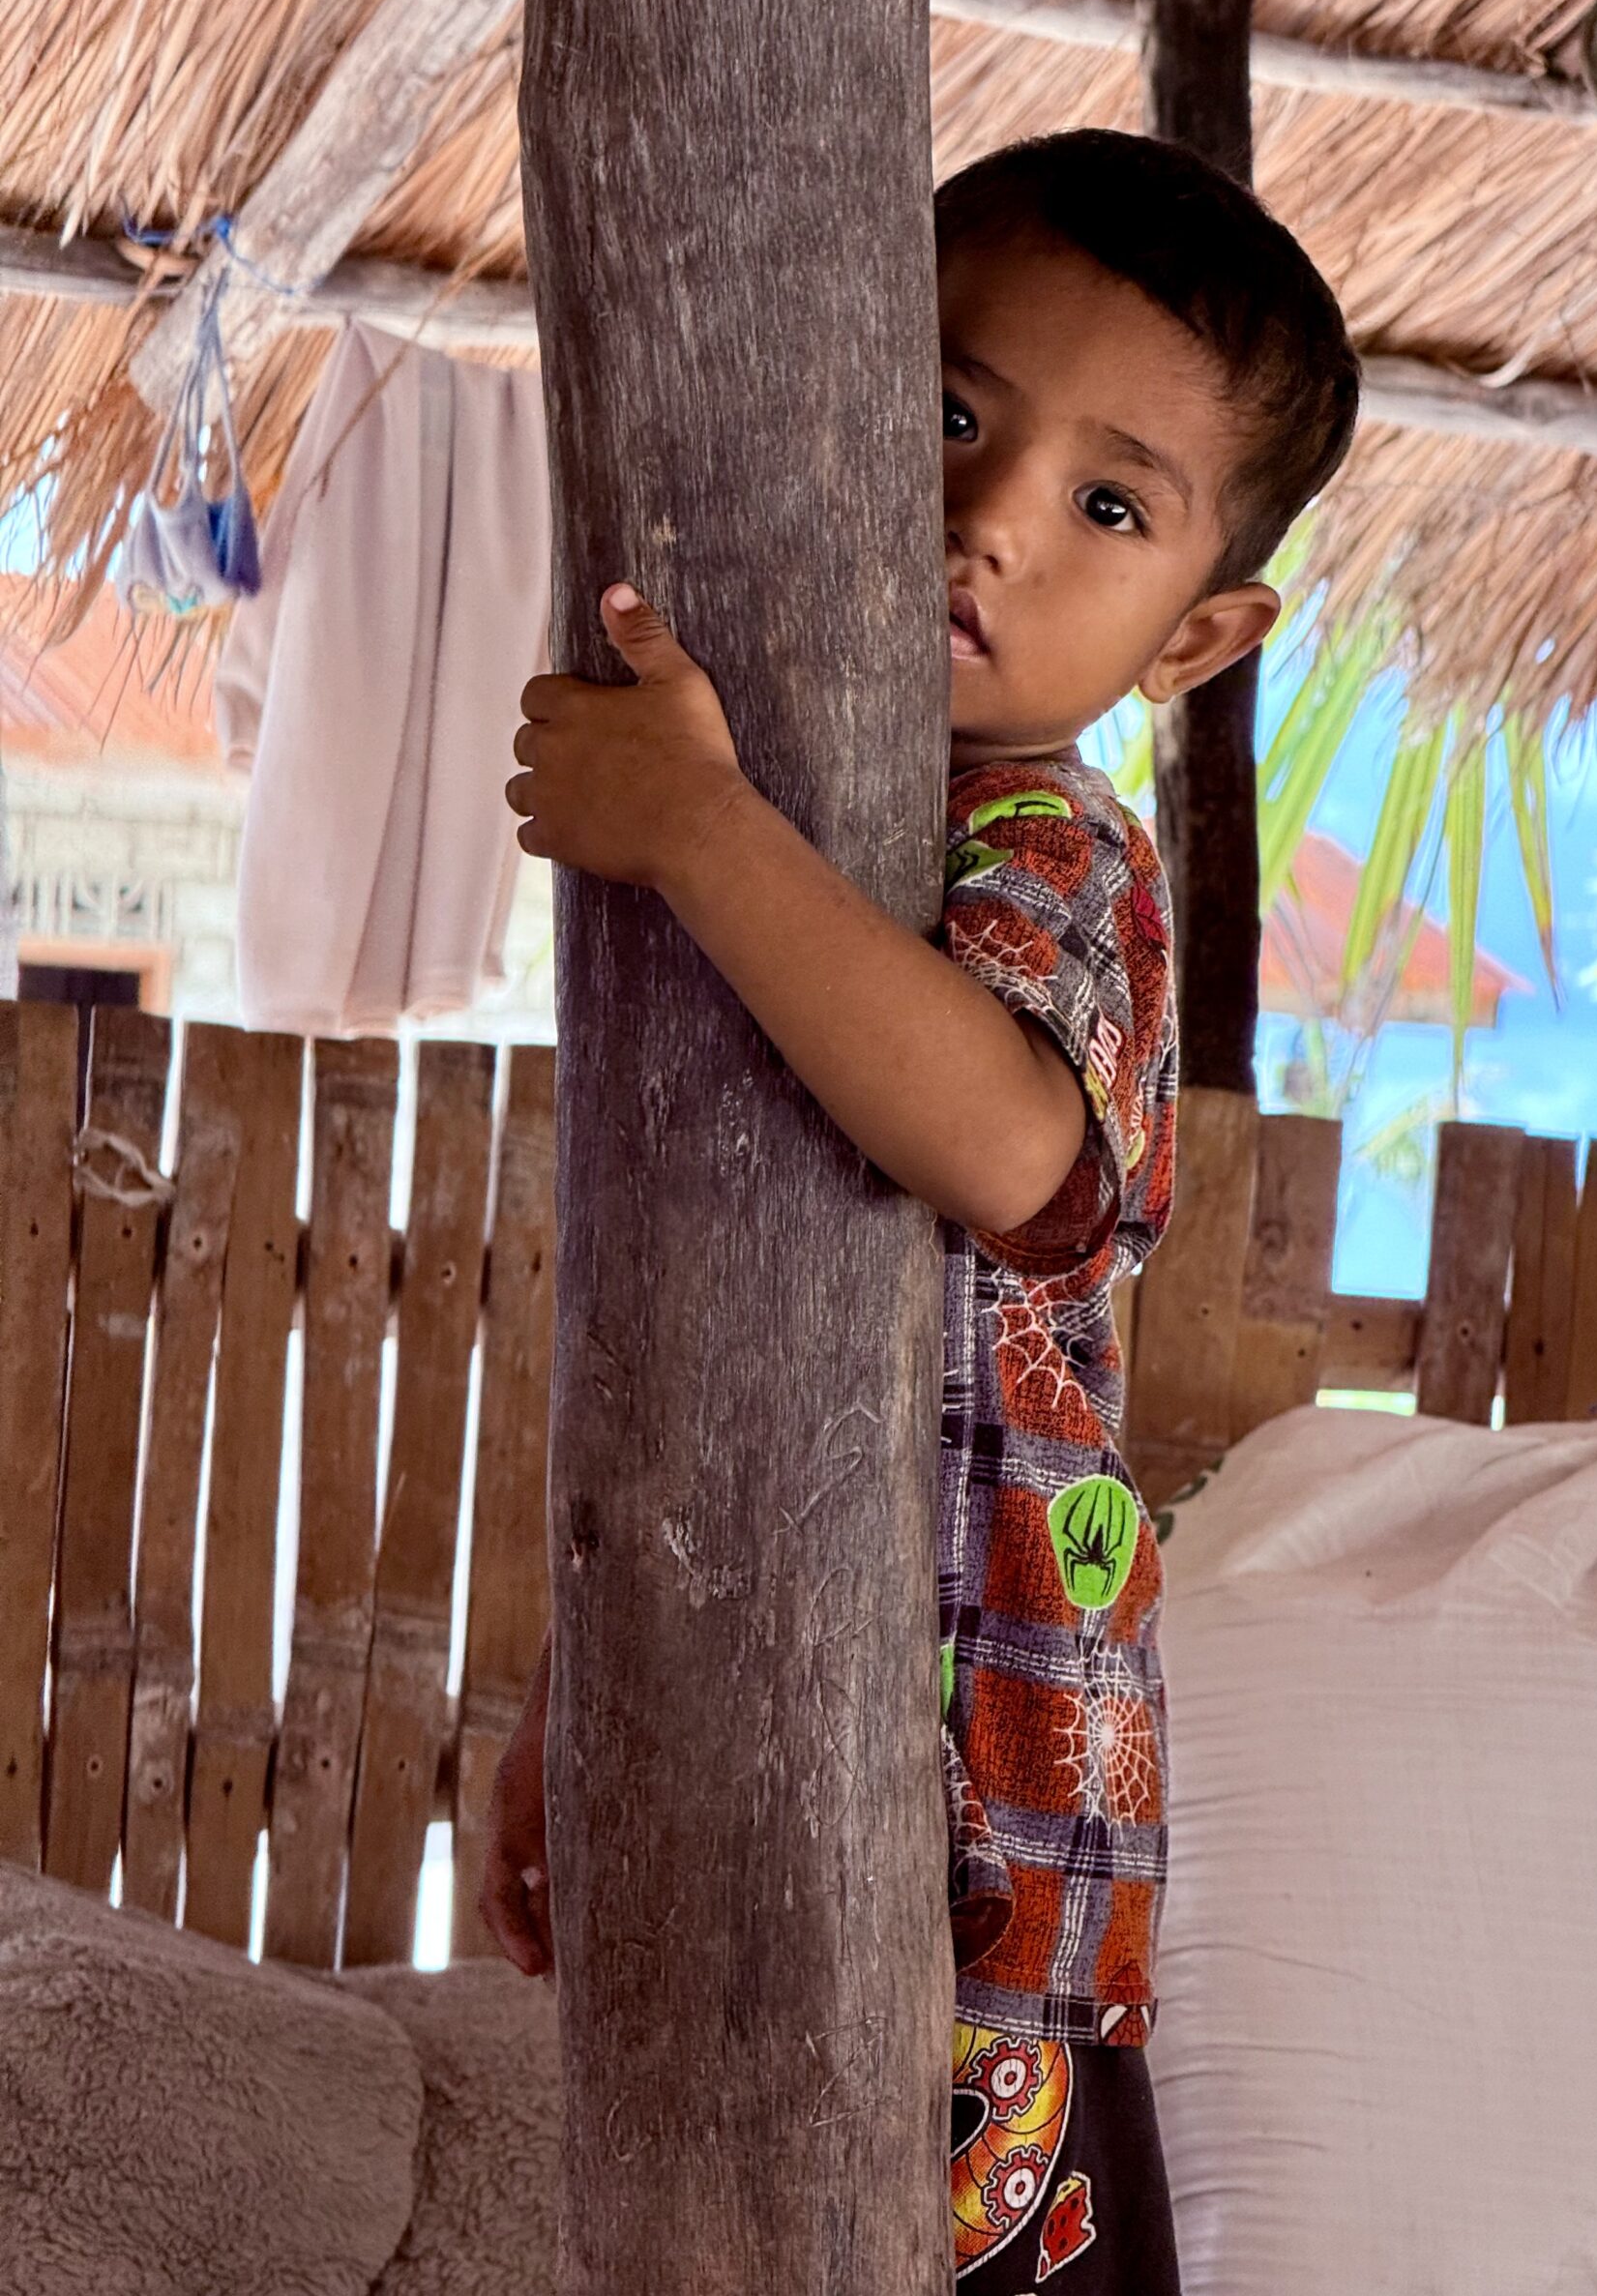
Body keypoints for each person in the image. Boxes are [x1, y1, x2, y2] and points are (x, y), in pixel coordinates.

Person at [488, 127, 1359, 2290]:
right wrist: (581, 1708)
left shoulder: (1058, 857)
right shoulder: (816, 845)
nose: (988, 516)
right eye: (949, 410)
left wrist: (694, 825)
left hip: (989, 1813)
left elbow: (997, 1139)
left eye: (1109, 504)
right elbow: (696, 1365)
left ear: (1200, 633)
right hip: (766, 1726)